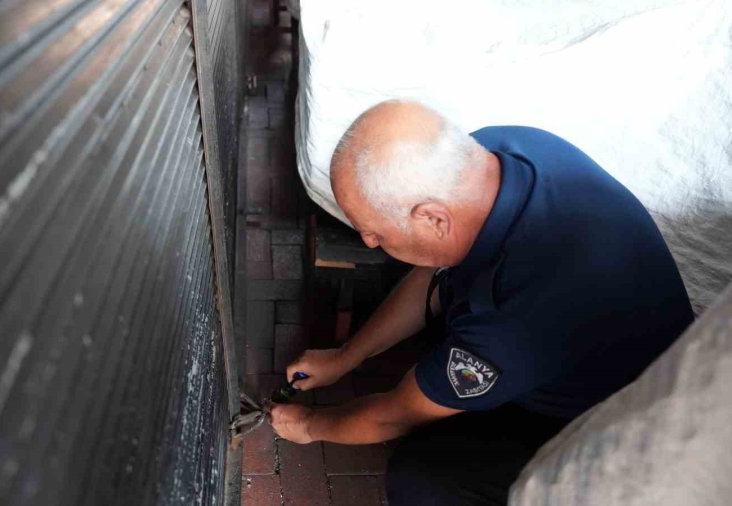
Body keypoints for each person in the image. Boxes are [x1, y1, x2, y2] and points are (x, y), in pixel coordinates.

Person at [267, 100, 694, 505]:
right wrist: (346, 358)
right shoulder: (502, 150)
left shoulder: (515, 321)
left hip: (618, 431)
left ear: (433, 217)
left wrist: (309, 425)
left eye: (373, 231)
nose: (368, 241)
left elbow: (393, 416)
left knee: (424, 480)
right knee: (405, 260)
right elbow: (436, 269)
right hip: (597, 346)